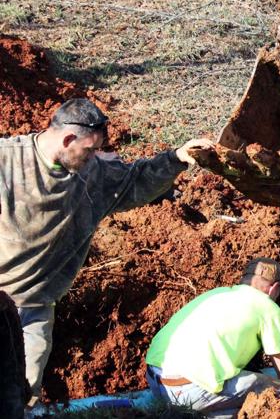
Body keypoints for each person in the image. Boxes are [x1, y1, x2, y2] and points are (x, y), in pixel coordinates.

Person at [0, 98, 213, 402]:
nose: (93, 157)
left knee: (20, 394)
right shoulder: (7, 160)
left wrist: (177, 158)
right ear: (68, 138)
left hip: (35, 306)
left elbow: (137, 180)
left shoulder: (93, 173)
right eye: (88, 149)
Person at [145, 257, 280, 418]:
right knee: (276, 389)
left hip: (155, 381)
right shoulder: (268, 308)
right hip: (189, 390)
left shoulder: (217, 293)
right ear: (275, 288)